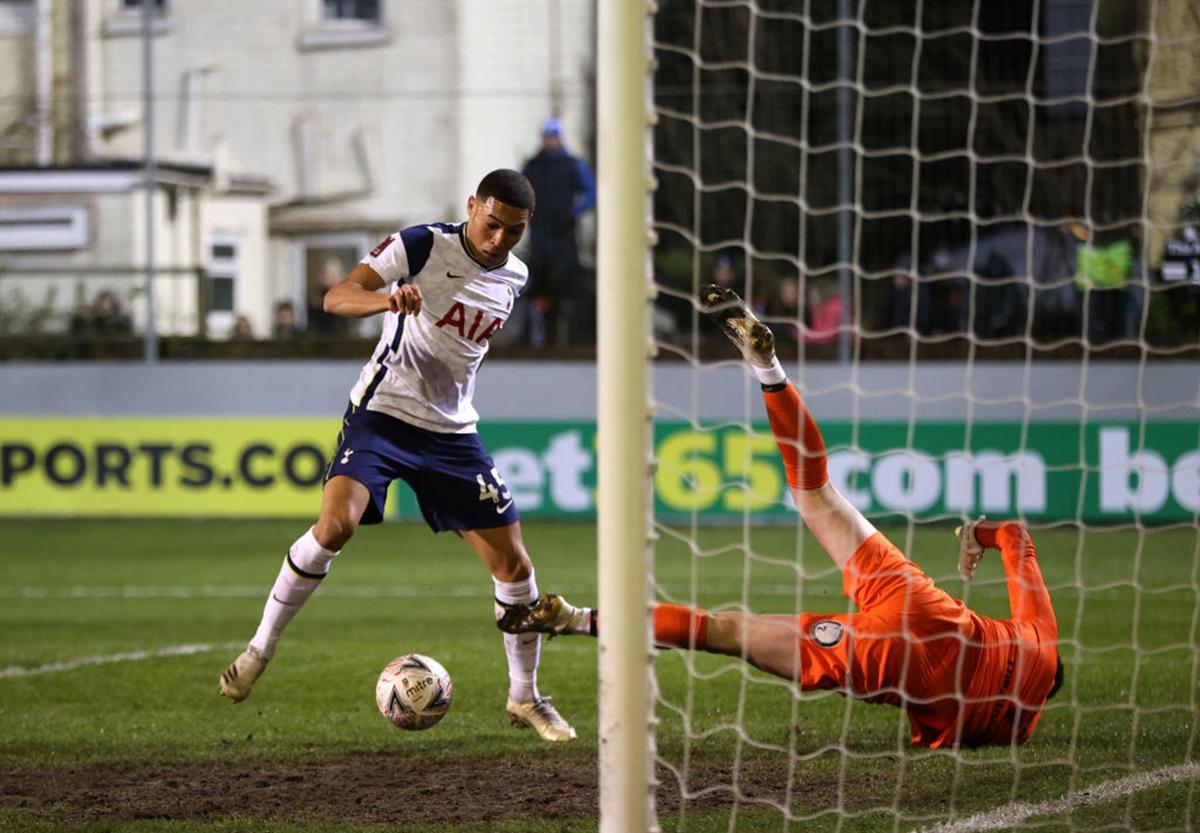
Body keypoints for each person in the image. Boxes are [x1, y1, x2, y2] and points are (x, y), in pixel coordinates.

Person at [499, 284, 1063, 749]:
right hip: (895, 654)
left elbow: (1015, 534)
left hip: (926, 606)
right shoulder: (1014, 727)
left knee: (816, 492)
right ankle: (575, 620)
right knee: (728, 632)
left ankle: (767, 367)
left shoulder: (1041, 638)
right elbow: (979, 728)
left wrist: (975, 535)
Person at [218, 169, 576, 743]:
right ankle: (260, 649)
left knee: (517, 570)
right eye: (492, 224)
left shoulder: (515, 276)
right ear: (471, 207)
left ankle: (525, 697)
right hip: (383, 413)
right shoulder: (421, 244)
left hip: (452, 433)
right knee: (336, 526)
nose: (499, 240)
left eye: (513, 231)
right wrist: (388, 298)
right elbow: (336, 297)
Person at [519, 116, 596, 346]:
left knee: (570, 284)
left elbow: (591, 193)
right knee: (535, 285)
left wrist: (573, 212)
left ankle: (575, 335)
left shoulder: (572, 164)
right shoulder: (532, 165)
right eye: (547, 136)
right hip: (540, 236)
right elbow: (518, 192)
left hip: (564, 236)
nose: (550, 140)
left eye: (553, 136)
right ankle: (534, 336)